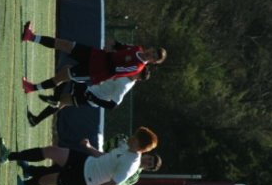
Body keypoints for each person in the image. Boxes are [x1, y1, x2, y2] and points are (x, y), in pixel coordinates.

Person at [0, 126, 158, 185]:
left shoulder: (131, 164)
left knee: (46, 182)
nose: (132, 137)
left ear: (140, 146)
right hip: (87, 162)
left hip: (86, 179)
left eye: (135, 138)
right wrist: (89, 148)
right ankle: (8, 156)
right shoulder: (126, 146)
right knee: (52, 151)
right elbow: (105, 158)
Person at [20, 22, 166, 93]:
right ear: (151, 48)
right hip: (95, 54)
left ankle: (32, 88)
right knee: (65, 44)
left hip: (94, 71)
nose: (151, 54)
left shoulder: (137, 67)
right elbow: (119, 46)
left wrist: (109, 51)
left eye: (154, 57)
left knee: (63, 76)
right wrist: (112, 43)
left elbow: (113, 69)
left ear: (152, 62)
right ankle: (31, 37)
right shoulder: (137, 48)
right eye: (153, 52)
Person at [27, 68, 150, 127]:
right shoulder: (126, 73)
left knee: (69, 75)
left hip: (91, 97)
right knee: (63, 99)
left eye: (137, 73)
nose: (135, 71)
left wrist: (93, 99)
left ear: (138, 79)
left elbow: (113, 105)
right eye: (137, 70)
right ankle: (36, 120)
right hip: (91, 90)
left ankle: (51, 102)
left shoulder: (125, 85)